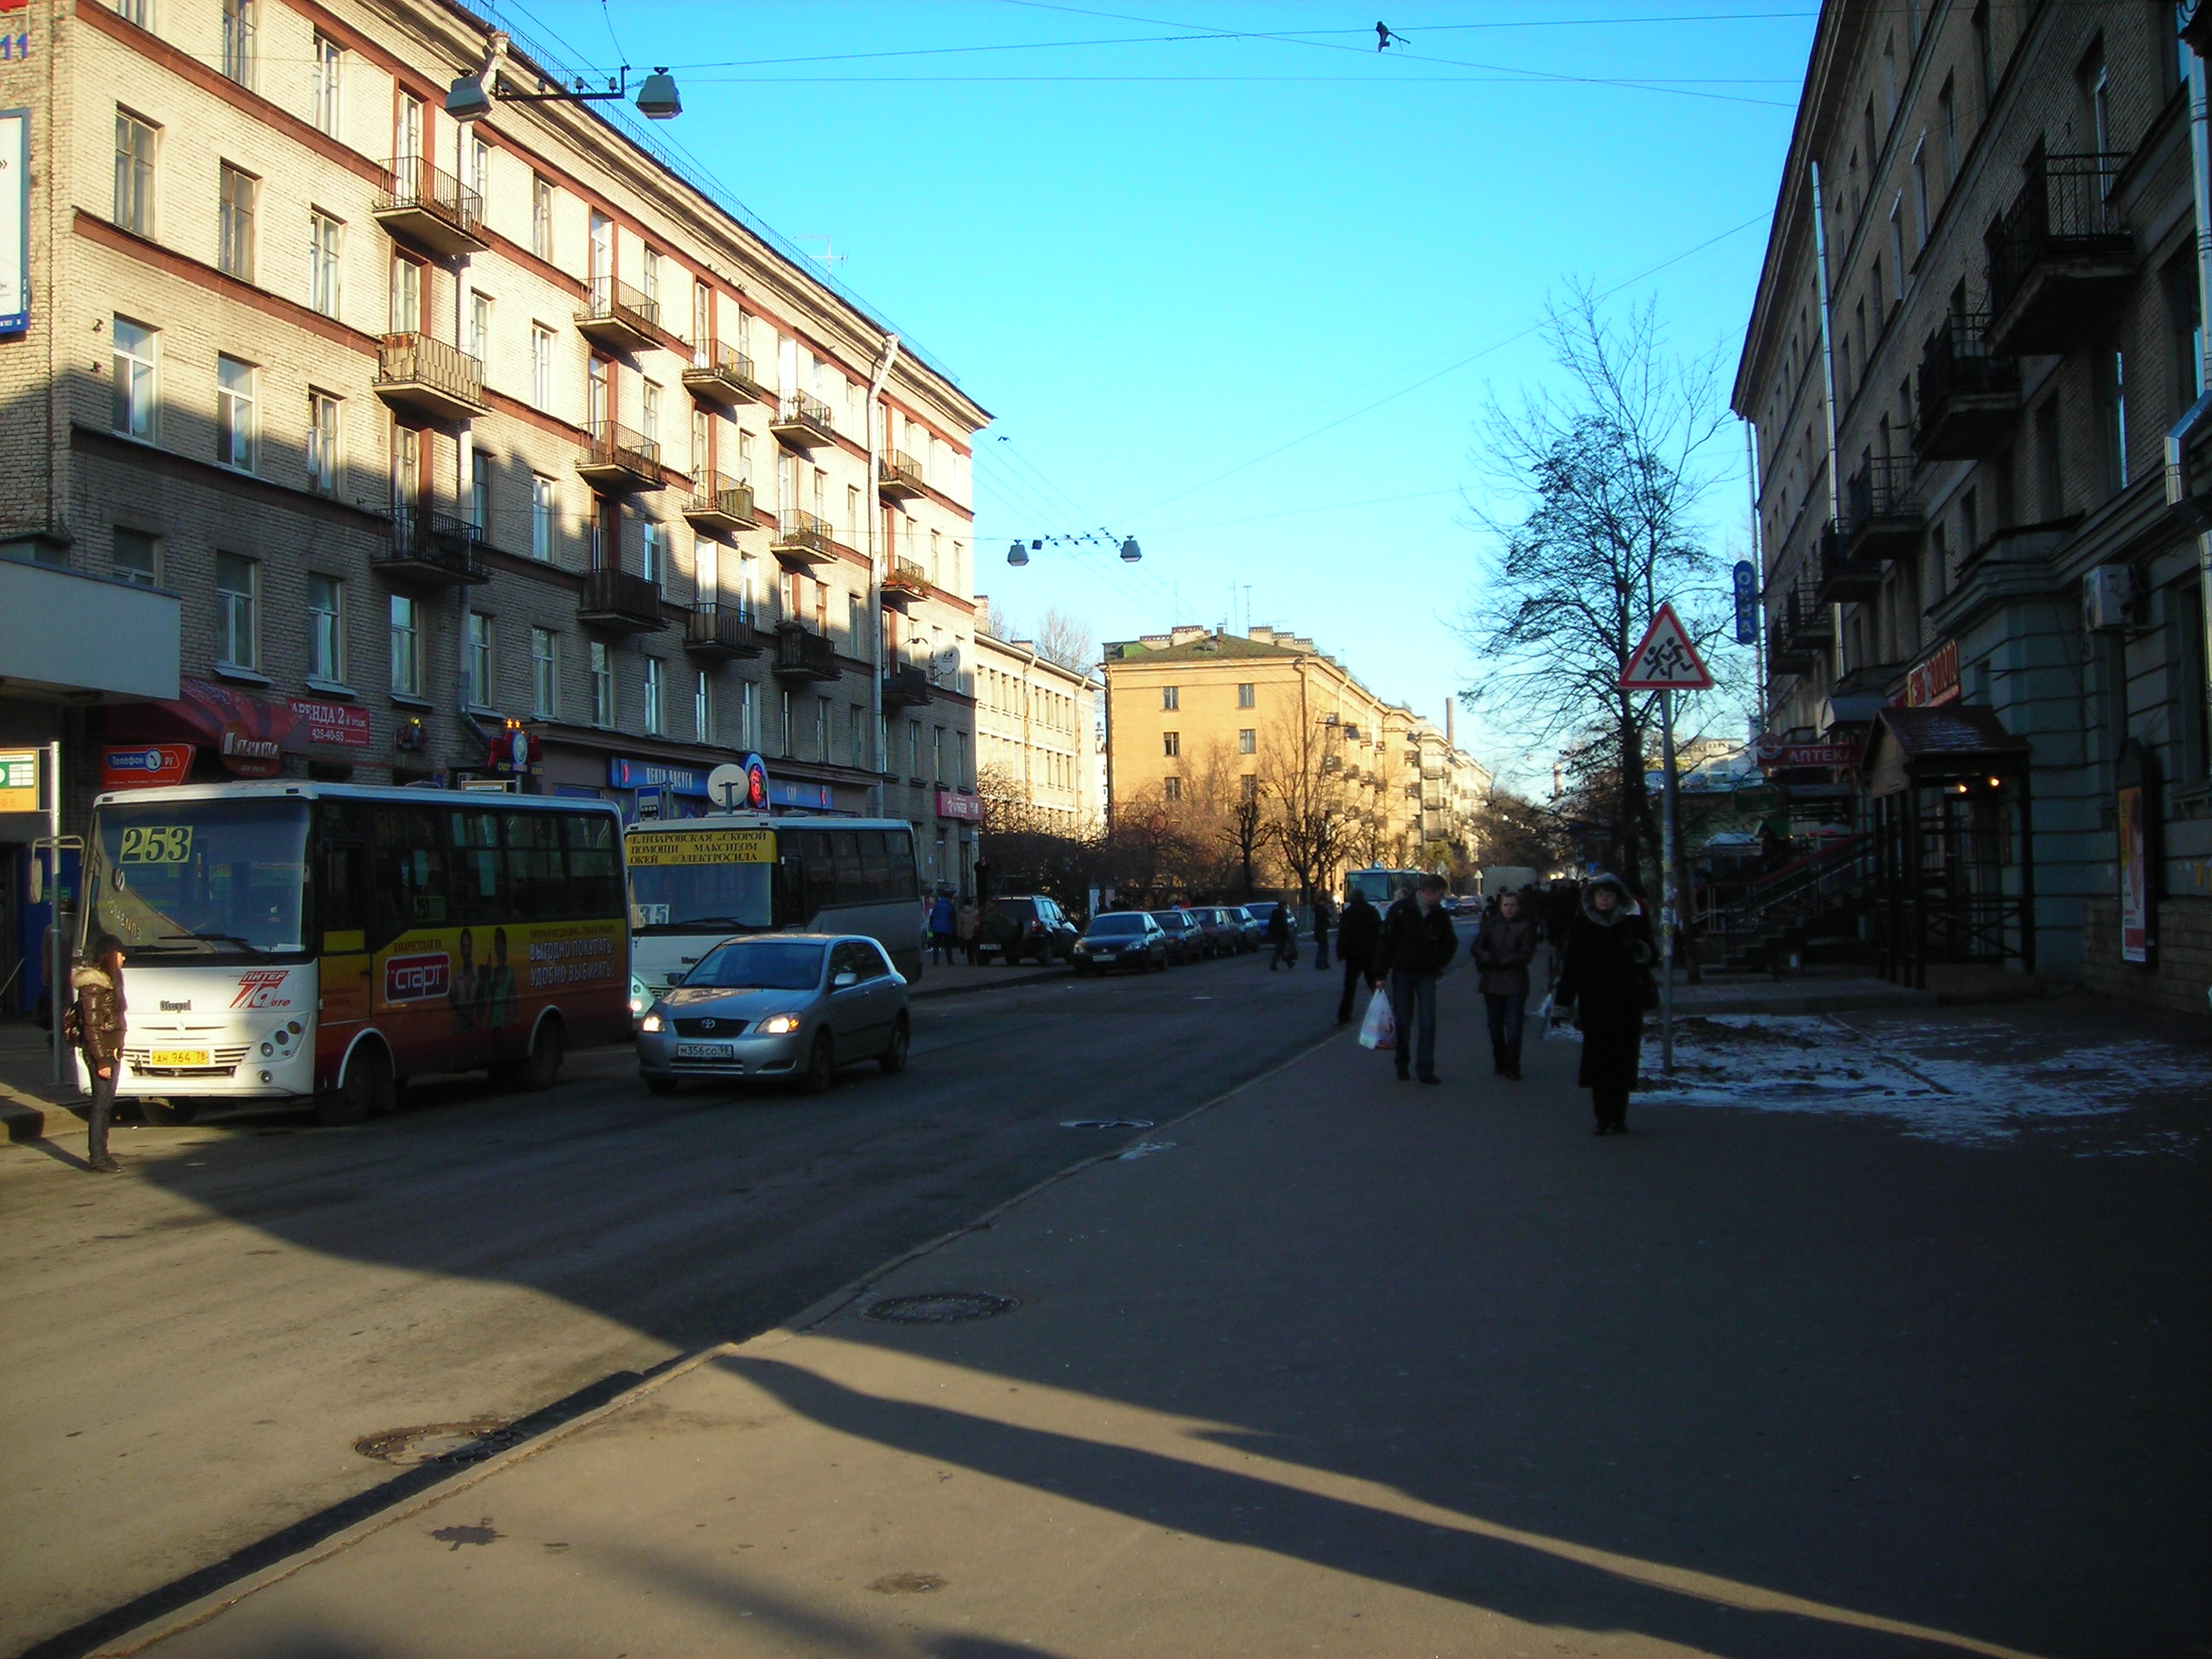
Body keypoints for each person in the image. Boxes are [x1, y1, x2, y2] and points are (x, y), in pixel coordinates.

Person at [1553, 872, 1656, 1135]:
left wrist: (1637, 948)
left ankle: (1619, 1116)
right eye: (1600, 895)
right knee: (1598, 1061)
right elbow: (1571, 968)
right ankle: (1601, 1117)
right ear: (1591, 898)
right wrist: (1562, 1004)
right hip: (1594, 1002)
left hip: (1626, 1002)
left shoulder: (1632, 924)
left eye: (1609, 895)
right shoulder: (1582, 926)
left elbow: (1651, 957)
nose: (1604, 899)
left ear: (1618, 898)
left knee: (1623, 1059)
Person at [1371, 873, 1457, 1083]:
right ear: (1427, 893)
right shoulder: (1401, 910)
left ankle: (1425, 1068)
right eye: (1440, 894)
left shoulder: (1440, 915)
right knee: (1403, 1021)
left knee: (1428, 1022)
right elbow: (1385, 942)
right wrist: (1380, 974)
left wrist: (1437, 963)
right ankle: (1402, 1063)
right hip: (1403, 972)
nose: (1442, 898)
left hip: (1427, 973)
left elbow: (1450, 943)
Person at [65, 934, 127, 1173]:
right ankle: (98, 1156)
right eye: (120, 953)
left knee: (106, 1104)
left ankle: (102, 1153)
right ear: (110, 955)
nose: (124, 958)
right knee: (101, 1105)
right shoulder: (94, 986)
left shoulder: (109, 982)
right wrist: (102, 1059)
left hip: (112, 1051)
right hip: (102, 1054)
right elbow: (92, 1028)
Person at [1470, 890, 1540, 1080]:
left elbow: (1526, 953)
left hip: (1515, 981)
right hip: (1492, 982)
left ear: (1519, 907)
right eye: (1506, 905)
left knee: (1514, 1026)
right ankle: (1500, 1059)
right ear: (1500, 906)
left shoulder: (1526, 926)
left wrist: (1503, 960)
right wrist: (1487, 957)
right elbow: (1477, 947)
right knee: (1495, 1026)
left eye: (1512, 905)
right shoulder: (1491, 924)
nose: (1509, 909)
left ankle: (1513, 1065)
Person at [1332, 886, 1382, 1023]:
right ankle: (1383, 1011)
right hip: (1370, 953)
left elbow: (1344, 935)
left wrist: (1341, 952)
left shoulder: (1349, 914)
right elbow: (1379, 931)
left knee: (1350, 986)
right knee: (1374, 984)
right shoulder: (1372, 911)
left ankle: (1345, 1015)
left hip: (1353, 955)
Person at [928, 890, 956, 965]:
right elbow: (952, 918)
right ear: (949, 898)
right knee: (948, 945)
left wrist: (932, 925)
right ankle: (950, 960)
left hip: (936, 927)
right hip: (947, 927)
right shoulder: (950, 906)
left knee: (936, 944)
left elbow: (932, 917)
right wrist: (953, 928)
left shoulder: (937, 905)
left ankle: (936, 960)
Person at [1263, 903, 1294, 971]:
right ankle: (1273, 965)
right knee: (1279, 950)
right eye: (1285, 906)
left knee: (1281, 950)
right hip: (1281, 935)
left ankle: (1289, 963)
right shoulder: (1282, 914)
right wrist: (1287, 934)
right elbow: (1283, 926)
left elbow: (1271, 924)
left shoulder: (1276, 914)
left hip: (1278, 934)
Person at [956, 896, 981, 966]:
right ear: (971, 903)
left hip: (965, 932)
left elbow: (959, 925)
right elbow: (979, 921)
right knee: (975, 946)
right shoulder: (976, 912)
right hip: (975, 931)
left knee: (969, 947)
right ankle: (978, 959)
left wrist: (959, 934)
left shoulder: (961, 913)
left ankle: (970, 961)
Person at [1312, 894, 1334, 971]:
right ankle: (1321, 963)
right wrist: (1327, 920)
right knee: (1322, 948)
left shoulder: (1318, 909)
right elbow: (1323, 918)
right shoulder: (1320, 910)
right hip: (1321, 930)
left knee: (1322, 947)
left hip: (1320, 930)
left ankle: (1323, 963)